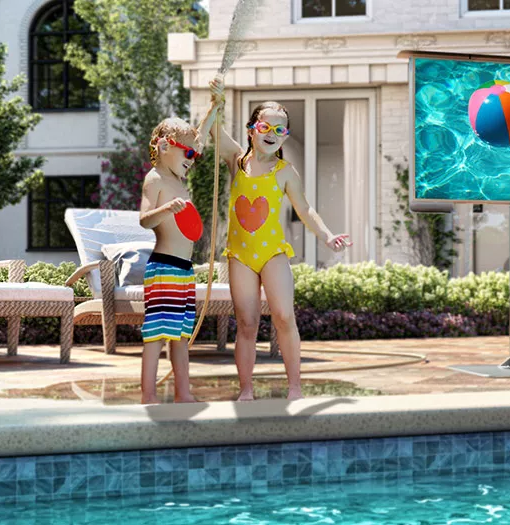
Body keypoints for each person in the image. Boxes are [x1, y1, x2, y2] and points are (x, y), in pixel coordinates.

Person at [208, 76, 351, 401]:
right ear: (251, 130)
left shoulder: (285, 171)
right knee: (247, 322)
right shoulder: (237, 162)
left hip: (272, 253)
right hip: (240, 256)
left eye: (280, 129)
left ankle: (294, 388)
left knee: (284, 316)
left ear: (285, 135)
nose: (272, 134)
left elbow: (305, 208)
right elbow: (215, 130)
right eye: (265, 127)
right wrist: (216, 100)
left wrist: (327, 236)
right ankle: (246, 389)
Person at [137, 113, 217, 404]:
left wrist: (213, 108)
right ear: (163, 146)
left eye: (195, 154)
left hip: (184, 270)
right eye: (187, 152)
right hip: (165, 267)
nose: (193, 157)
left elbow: (199, 137)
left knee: (181, 336)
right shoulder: (155, 179)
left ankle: (184, 392)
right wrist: (166, 209)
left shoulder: (180, 181)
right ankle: (148, 394)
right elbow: (145, 220)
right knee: (157, 334)